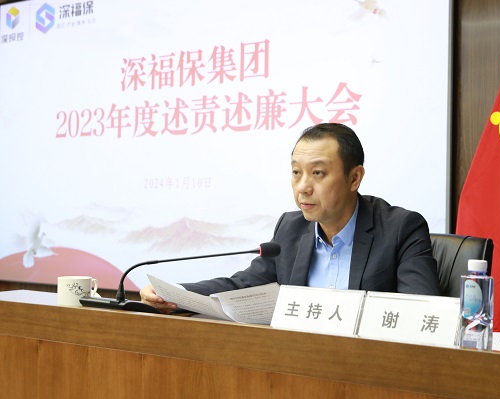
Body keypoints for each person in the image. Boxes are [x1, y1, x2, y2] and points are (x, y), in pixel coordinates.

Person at [140, 123, 441, 312]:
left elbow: (423, 312)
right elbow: (242, 286)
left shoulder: (401, 229)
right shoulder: (291, 228)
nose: (303, 187)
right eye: (296, 172)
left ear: (354, 178)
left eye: (318, 173)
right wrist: (175, 294)